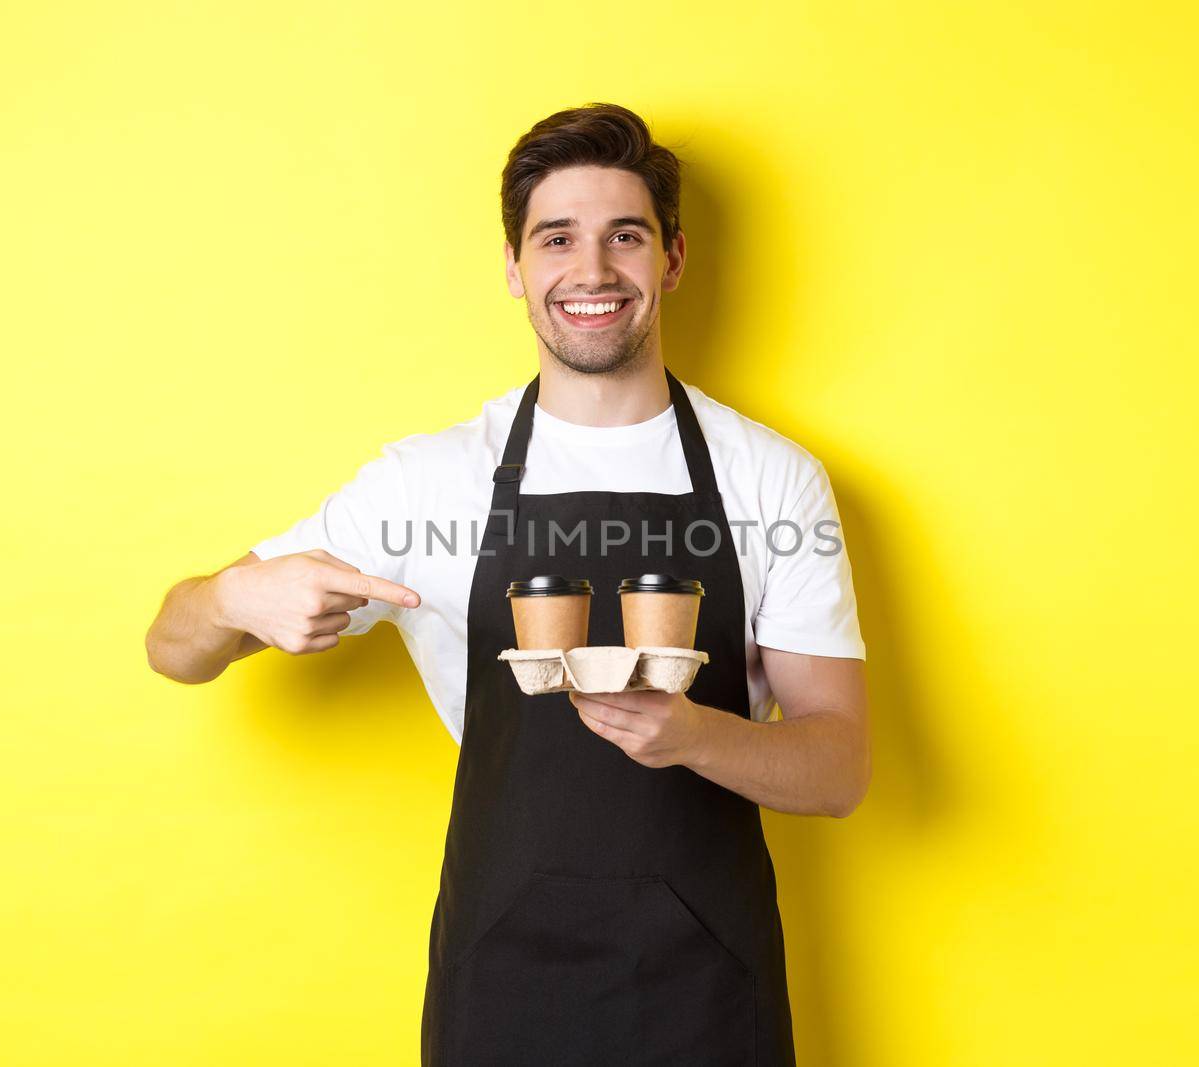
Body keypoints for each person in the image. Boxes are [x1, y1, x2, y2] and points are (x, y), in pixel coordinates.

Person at [145, 101, 870, 1066]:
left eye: (626, 236)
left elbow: (840, 767)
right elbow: (174, 649)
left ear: (674, 259)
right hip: (502, 980)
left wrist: (693, 730)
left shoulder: (770, 477)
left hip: (706, 985)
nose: (593, 271)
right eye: (556, 238)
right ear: (514, 267)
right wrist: (234, 599)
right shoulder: (426, 481)